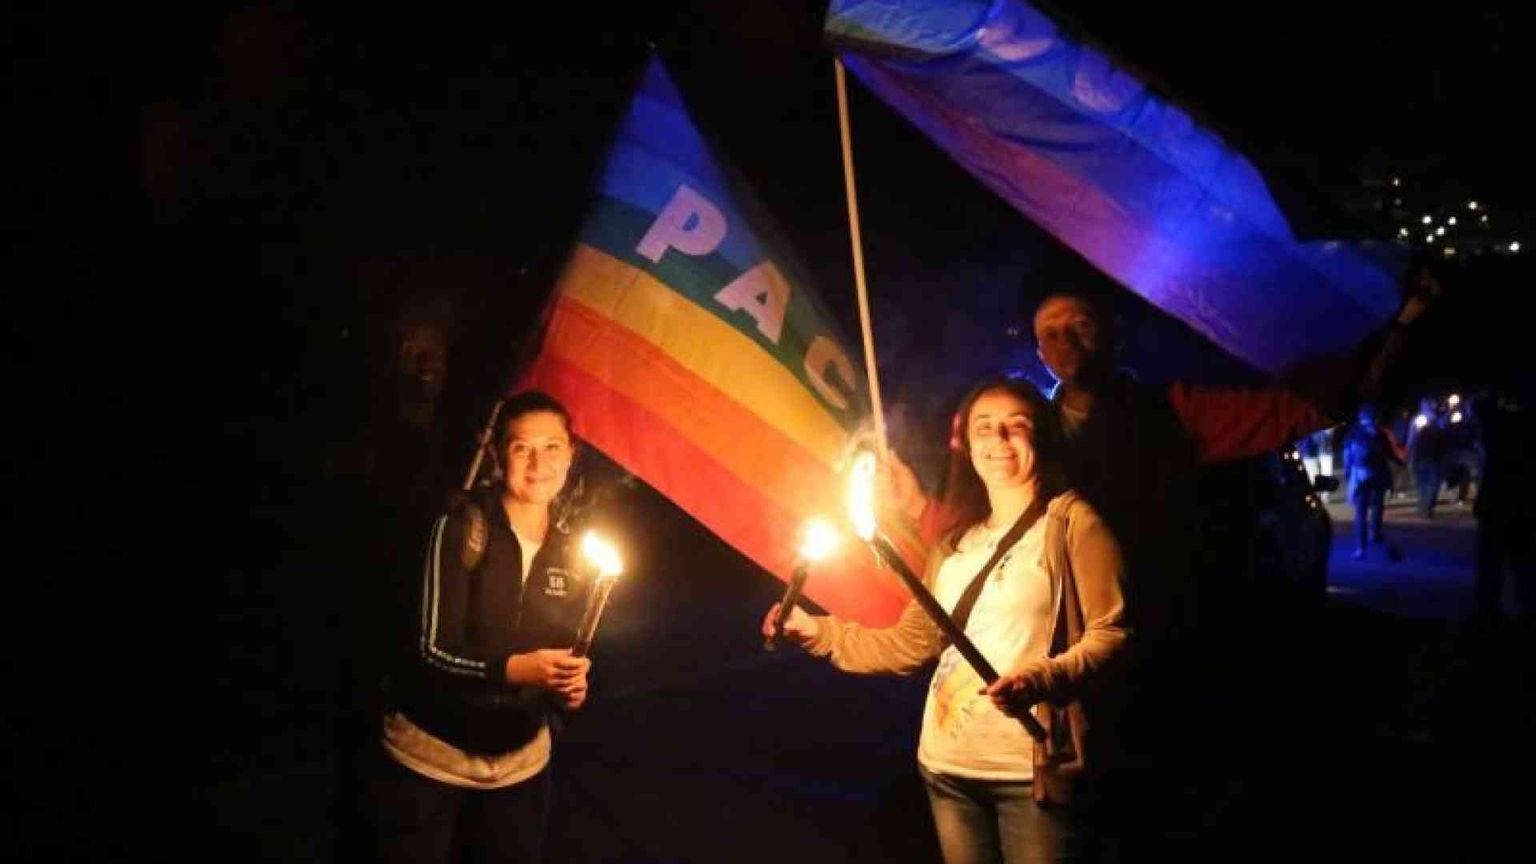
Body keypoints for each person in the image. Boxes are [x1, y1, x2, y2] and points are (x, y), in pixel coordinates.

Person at [764, 377, 1130, 863]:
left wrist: (1043, 679)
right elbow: (913, 646)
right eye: (984, 428)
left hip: (1029, 772)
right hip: (946, 768)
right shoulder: (955, 542)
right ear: (967, 445)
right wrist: (819, 633)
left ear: (1040, 436)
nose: (998, 439)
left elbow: (1113, 633)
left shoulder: (1072, 523)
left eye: (1015, 426)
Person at [367, 390, 594, 864]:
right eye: (521, 448)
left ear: (571, 453)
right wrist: (517, 670)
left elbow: (568, 647)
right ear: (497, 456)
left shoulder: (574, 548)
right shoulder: (462, 525)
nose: (538, 463)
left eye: (552, 447)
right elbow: (430, 648)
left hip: (520, 771)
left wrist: (569, 684)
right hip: (431, 762)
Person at [1341, 402, 1406, 560]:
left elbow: (1347, 455)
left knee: (1361, 513)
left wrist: (1348, 472)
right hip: (1377, 475)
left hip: (1361, 476)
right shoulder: (1379, 433)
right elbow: (1389, 453)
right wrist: (1400, 463)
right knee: (1375, 509)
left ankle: (1361, 547)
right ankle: (1373, 535)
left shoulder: (1354, 432)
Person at [1406, 397, 1447, 518]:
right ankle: (1426, 508)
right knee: (1428, 484)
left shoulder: (1437, 420)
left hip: (1428, 457)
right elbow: (1412, 438)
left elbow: (1411, 439)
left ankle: (1425, 507)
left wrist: (1410, 454)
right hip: (1428, 457)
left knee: (1425, 484)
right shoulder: (1425, 420)